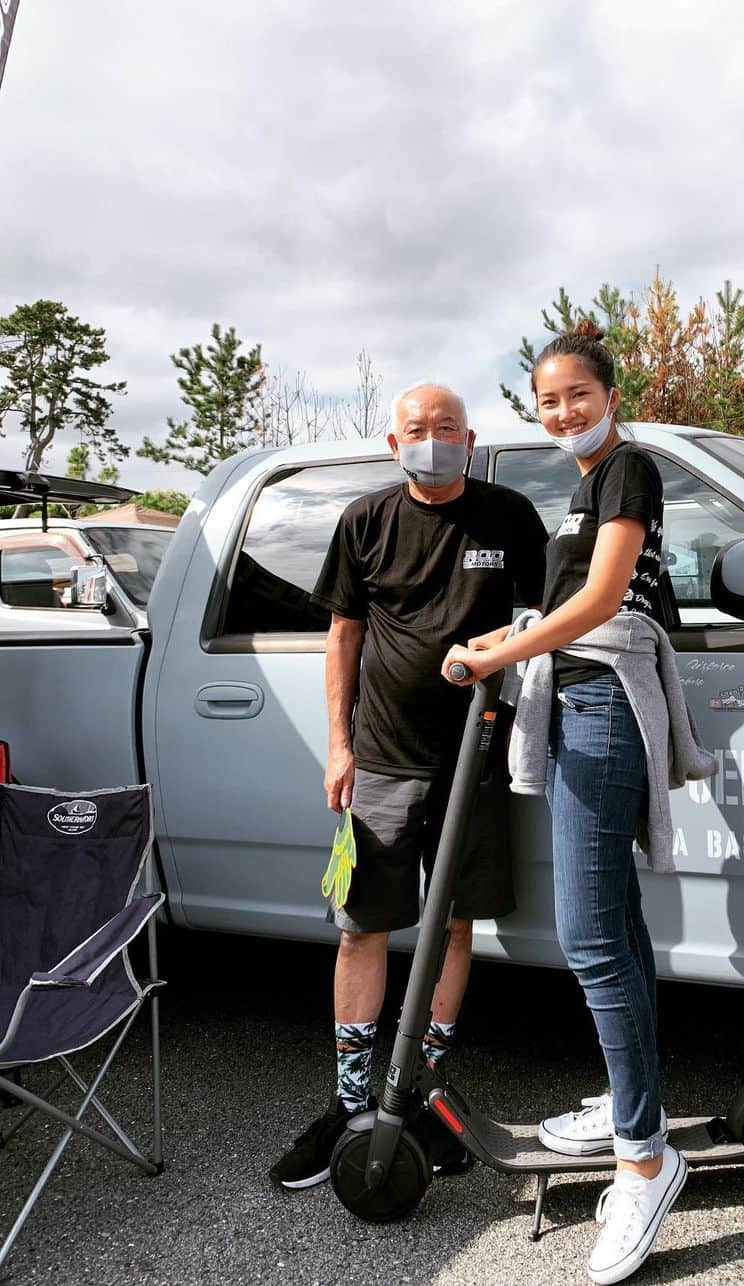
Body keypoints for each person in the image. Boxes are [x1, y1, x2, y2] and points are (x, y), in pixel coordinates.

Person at [441, 325, 714, 1286]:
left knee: (592, 935)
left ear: (609, 394)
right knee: (620, 932)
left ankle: (645, 1158)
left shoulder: (627, 469)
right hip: (578, 697)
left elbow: (601, 601)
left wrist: (499, 656)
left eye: (577, 396)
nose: (563, 413)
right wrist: (493, 638)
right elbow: (562, 607)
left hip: (598, 704)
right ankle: (627, 1095)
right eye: (548, 401)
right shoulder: (584, 484)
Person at [269, 382, 548, 1191]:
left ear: (471, 438)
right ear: (394, 445)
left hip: (477, 758)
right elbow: (344, 636)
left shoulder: (509, 517)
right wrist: (338, 746)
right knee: (362, 928)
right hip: (384, 759)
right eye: (416, 430)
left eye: (447, 427)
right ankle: (350, 1102)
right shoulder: (366, 520)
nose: (432, 439)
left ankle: (419, 1089)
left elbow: (544, 621)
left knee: (453, 926)